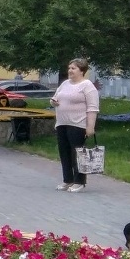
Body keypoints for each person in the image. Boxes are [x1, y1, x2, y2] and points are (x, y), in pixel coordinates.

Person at [50, 58, 99, 192]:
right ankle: (68, 180)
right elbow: (55, 98)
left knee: (77, 154)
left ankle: (79, 181)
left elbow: (93, 108)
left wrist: (90, 126)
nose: (70, 70)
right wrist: (53, 102)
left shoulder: (87, 86)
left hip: (78, 125)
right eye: (69, 68)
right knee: (64, 153)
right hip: (62, 123)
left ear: (82, 71)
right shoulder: (65, 84)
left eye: (73, 68)